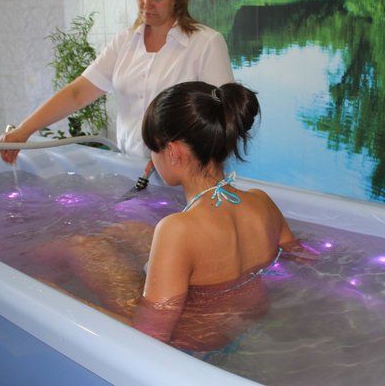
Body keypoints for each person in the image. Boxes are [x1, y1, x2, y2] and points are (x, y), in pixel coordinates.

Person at [31, 82, 306, 352]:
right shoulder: (261, 202)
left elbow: (151, 338)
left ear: (172, 152)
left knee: (81, 246)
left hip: (195, 338)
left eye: (153, 148)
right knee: (129, 229)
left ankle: (27, 268)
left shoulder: (177, 230)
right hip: (247, 319)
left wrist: (60, 299)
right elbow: (300, 257)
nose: (152, 158)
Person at [0, 0, 234, 163]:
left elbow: (225, 118)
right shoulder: (124, 42)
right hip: (131, 171)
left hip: (186, 176)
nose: (146, 4)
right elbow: (77, 93)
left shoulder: (206, 44)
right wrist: (23, 131)